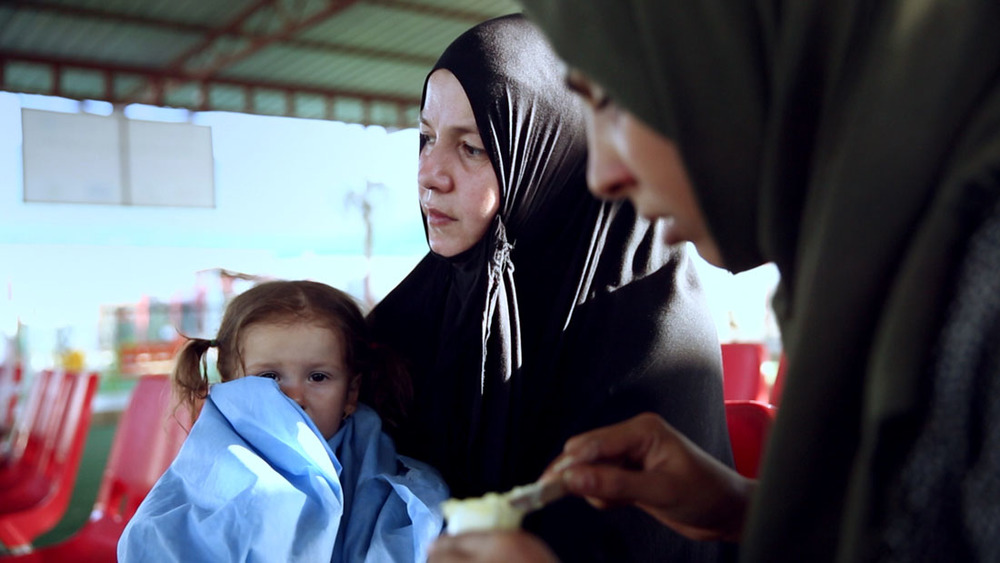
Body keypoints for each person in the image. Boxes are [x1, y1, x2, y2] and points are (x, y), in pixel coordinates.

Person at [429, 1, 1000, 562]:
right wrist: (745, 511)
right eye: (424, 138)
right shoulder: (889, 277)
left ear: (731, 61)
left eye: (617, 101)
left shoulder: (982, 291)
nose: (602, 174)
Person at [368, 13, 735, 563]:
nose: (429, 173)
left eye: (472, 148)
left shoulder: (649, 321)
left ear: (554, 156)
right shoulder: (401, 325)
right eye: (426, 137)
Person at [118, 280, 449, 562]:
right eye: (269, 377)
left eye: (318, 377)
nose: (294, 396)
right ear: (234, 386)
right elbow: (159, 539)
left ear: (350, 393)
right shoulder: (218, 463)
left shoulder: (373, 459)